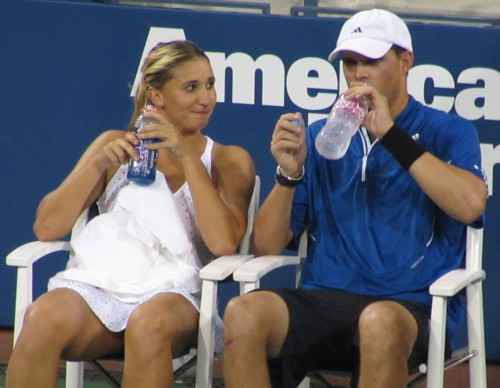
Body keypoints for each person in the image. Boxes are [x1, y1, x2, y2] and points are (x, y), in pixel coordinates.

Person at [222, 9, 487, 388]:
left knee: (377, 321)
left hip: (409, 305)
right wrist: (289, 173)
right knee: (242, 313)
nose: (358, 73)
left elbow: (470, 204)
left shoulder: (447, 131)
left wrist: (390, 135)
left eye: (372, 61)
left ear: (405, 62)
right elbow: (265, 245)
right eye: (350, 62)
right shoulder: (318, 136)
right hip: (324, 298)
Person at [7, 40, 255, 387]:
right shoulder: (114, 143)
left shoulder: (228, 159)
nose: (206, 98)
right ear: (156, 96)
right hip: (99, 284)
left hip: (176, 295)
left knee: (147, 323)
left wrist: (186, 156)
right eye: (191, 87)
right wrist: (99, 164)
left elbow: (224, 242)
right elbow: (47, 226)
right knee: (41, 317)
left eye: (210, 84)